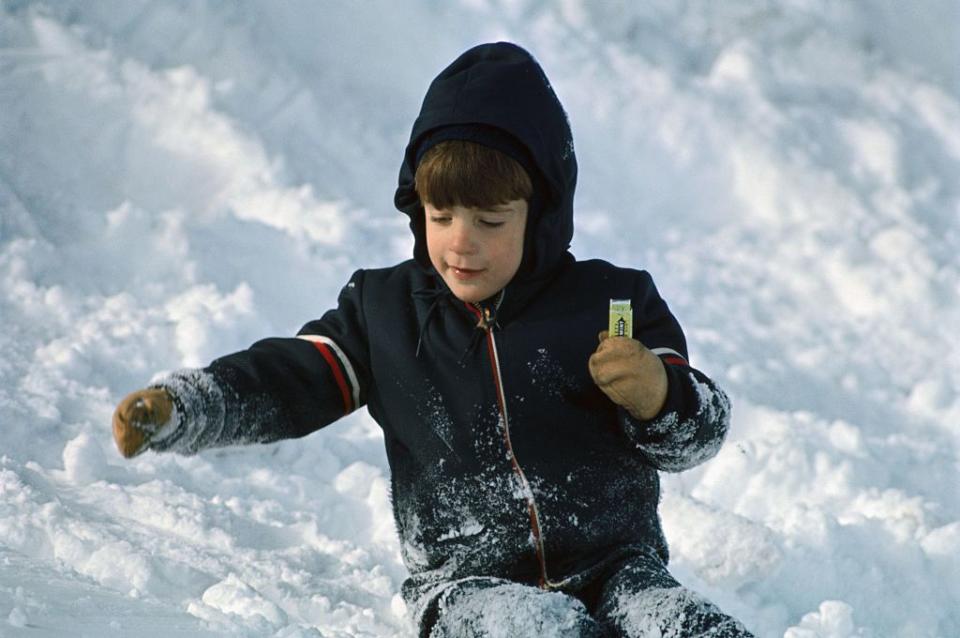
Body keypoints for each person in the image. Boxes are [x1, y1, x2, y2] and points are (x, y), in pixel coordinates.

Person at [112, 42, 753, 637]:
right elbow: (292, 377)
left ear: (544, 214)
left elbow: (699, 431)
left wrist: (659, 394)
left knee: (691, 628)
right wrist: (185, 406)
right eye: (439, 216)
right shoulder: (384, 313)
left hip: (618, 567)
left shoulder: (613, 303)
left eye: (490, 219)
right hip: (468, 588)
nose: (459, 241)